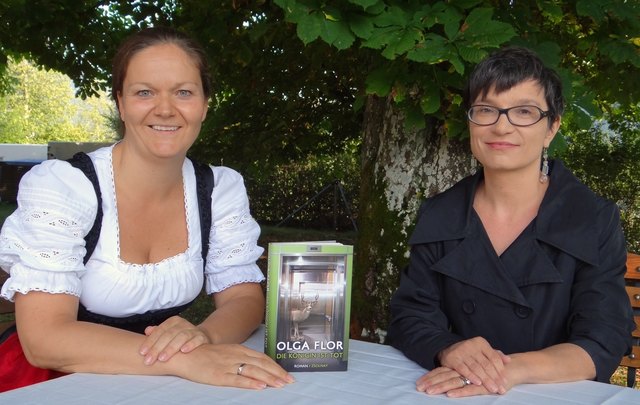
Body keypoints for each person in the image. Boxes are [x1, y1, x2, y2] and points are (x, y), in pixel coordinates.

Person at [0, 27, 293, 392]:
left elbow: (244, 298)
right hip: (57, 379)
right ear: (121, 103)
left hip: (165, 379)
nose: (166, 109)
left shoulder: (218, 189)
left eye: (184, 92)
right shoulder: (66, 186)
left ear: (204, 104)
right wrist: (186, 359)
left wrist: (201, 336)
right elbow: (44, 340)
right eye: (144, 93)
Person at [387, 47, 634, 398]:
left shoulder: (592, 218)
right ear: (471, 122)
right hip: (450, 394)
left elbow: (603, 338)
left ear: (552, 128)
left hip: (555, 394)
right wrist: (448, 348)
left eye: (524, 112)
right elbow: (410, 315)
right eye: (486, 110)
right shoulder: (439, 213)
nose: (501, 125)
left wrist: (508, 371)